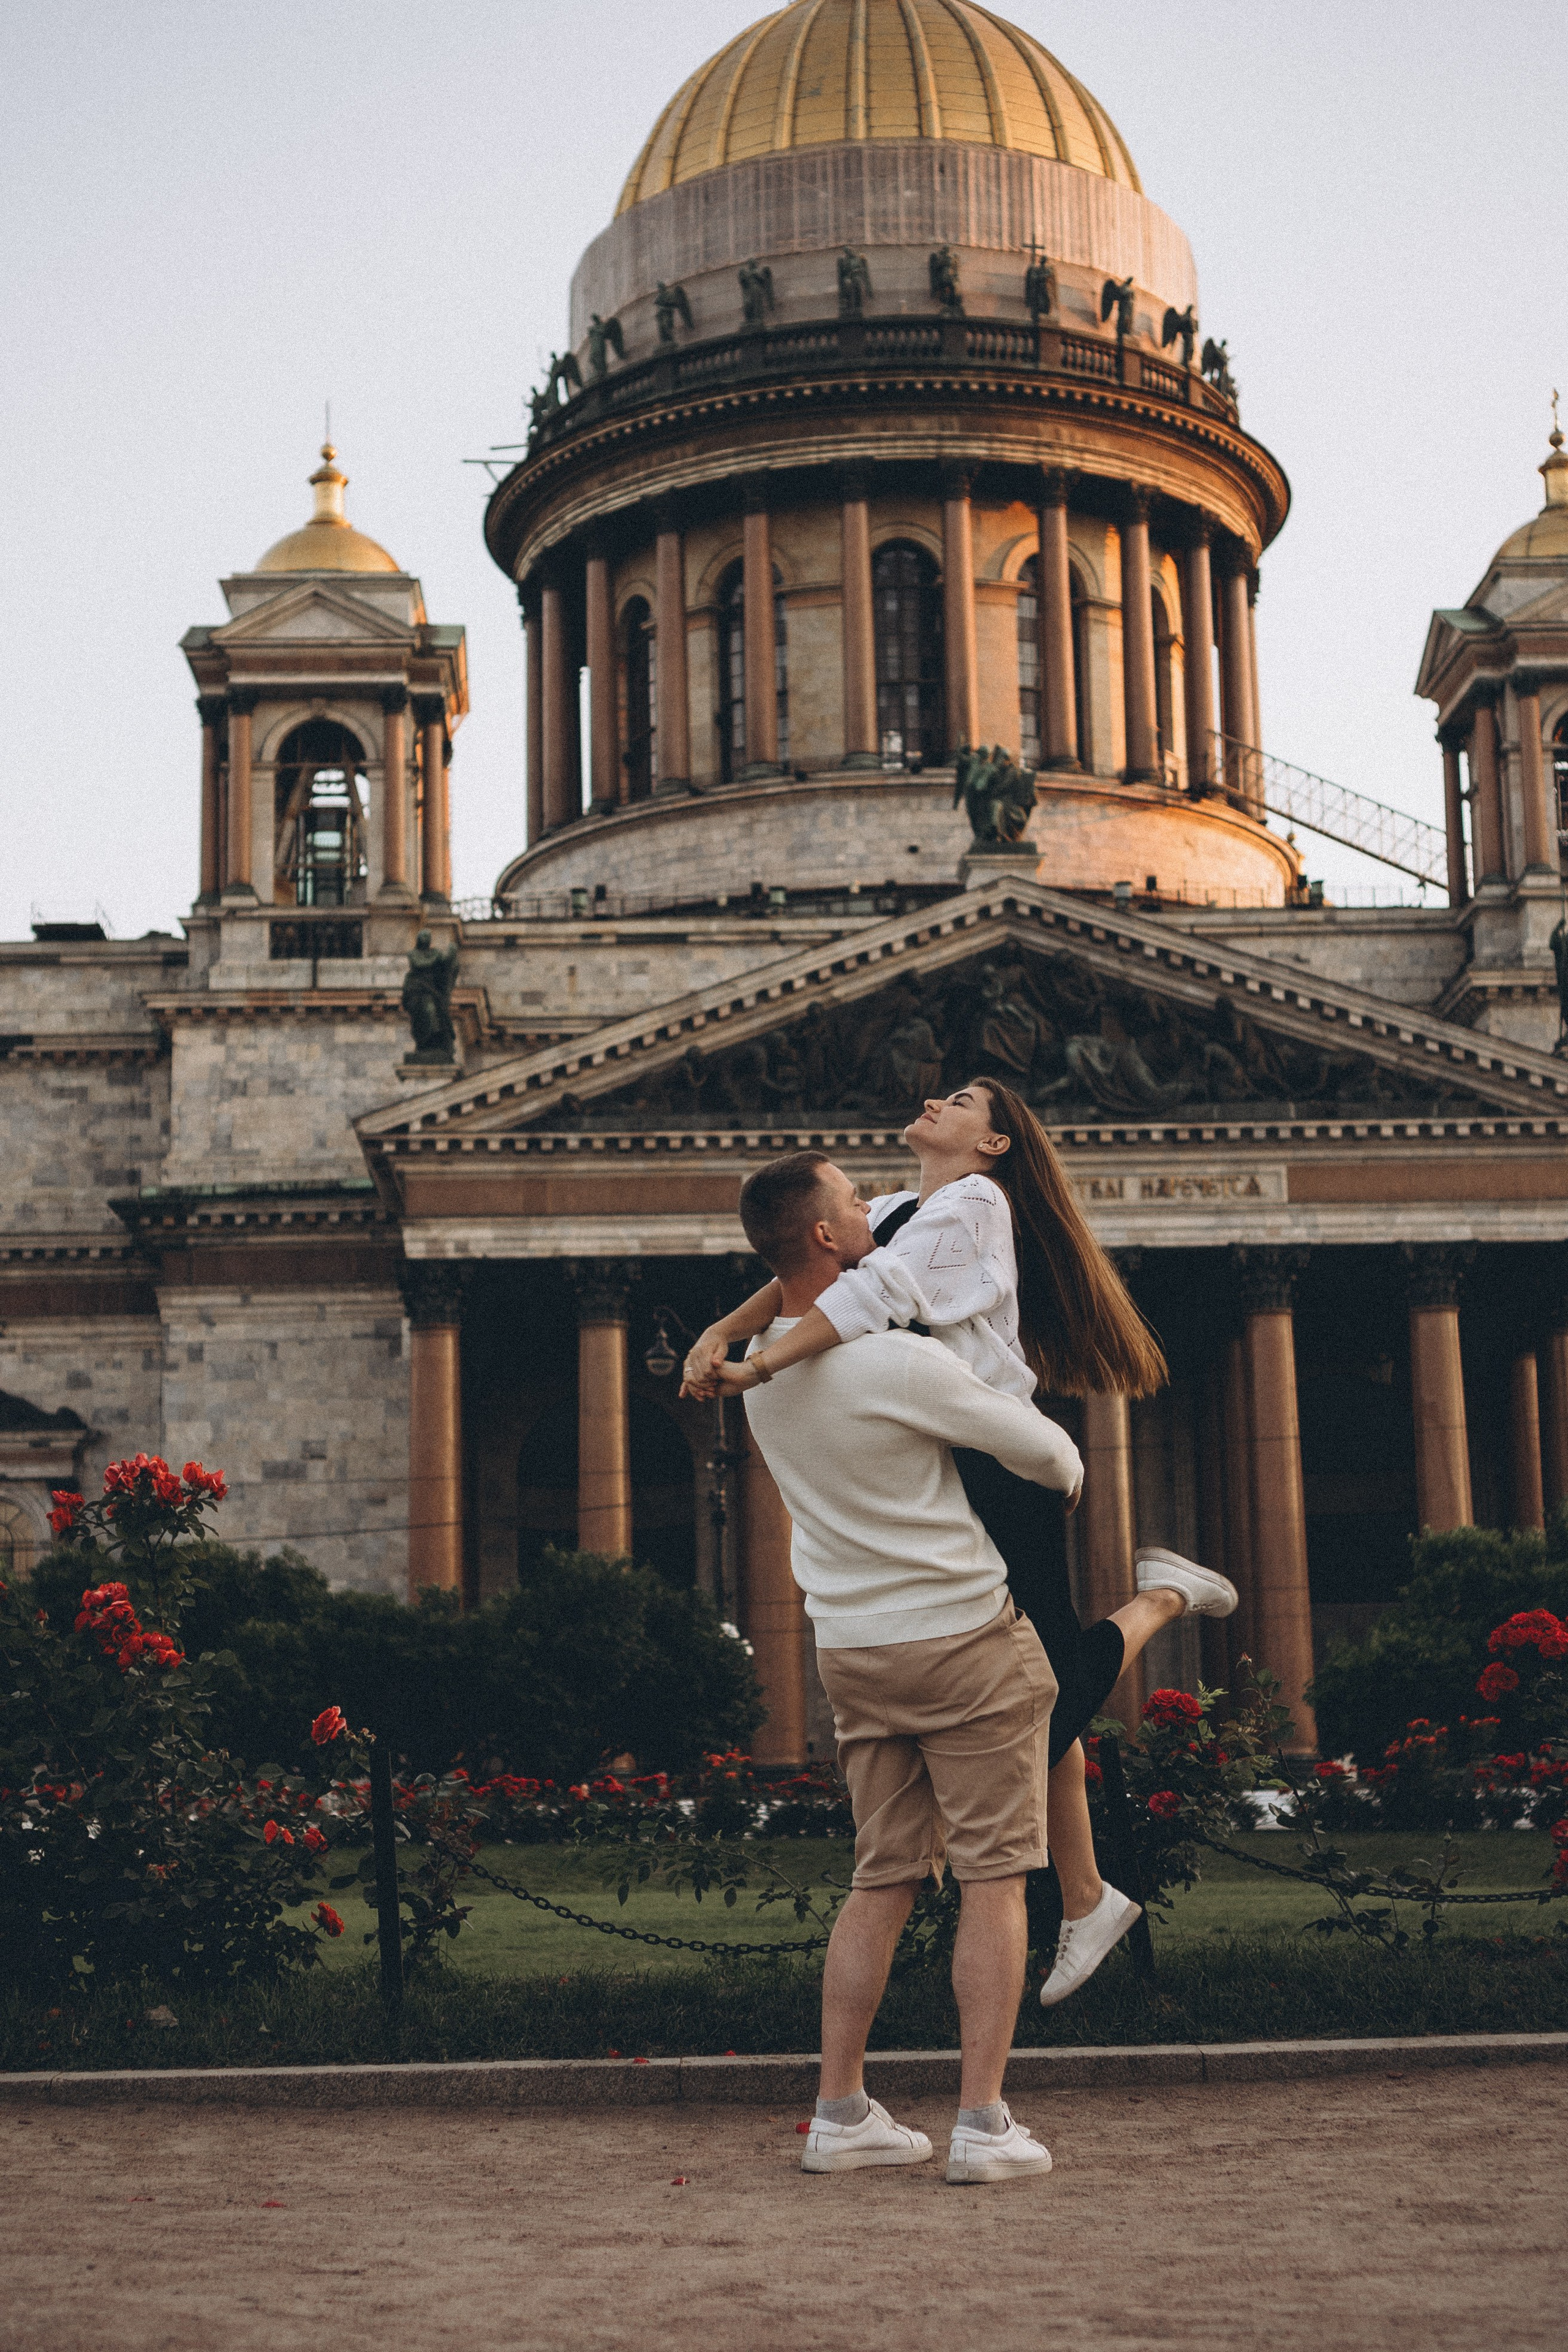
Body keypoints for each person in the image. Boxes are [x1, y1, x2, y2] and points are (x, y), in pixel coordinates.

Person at [683, 1079, 1237, 2006]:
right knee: (1037, 1679)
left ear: (992, 1146)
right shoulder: (902, 1207)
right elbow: (808, 1270)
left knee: (1045, 1692)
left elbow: (880, 1289)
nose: (940, 1100)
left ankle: (1163, 1598)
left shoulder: (976, 1202)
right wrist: (721, 1330)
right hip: (960, 1456)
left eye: (967, 1101)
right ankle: (1089, 1897)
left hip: (1001, 1456)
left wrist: (764, 1362)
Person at [735, 1150, 1081, 2184]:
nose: (875, 1209)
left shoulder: (766, 1374)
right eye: (854, 1200)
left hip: (851, 1649)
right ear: (832, 1239)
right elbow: (1052, 1457)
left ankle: (840, 2114)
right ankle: (982, 2124)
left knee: (881, 1879)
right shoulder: (896, 1363)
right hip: (965, 1640)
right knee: (995, 1880)